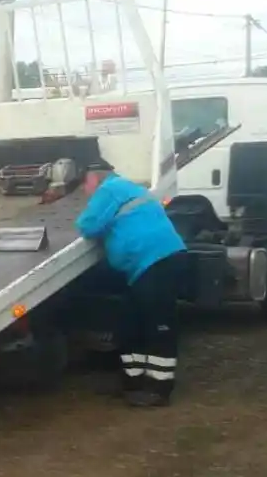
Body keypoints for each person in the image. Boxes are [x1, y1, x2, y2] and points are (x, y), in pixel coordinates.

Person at [75, 159, 188, 407]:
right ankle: (132, 382)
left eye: (84, 185)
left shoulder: (109, 190)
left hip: (156, 262)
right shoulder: (130, 187)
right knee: (131, 323)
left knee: (159, 326)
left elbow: (88, 225)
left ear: (94, 179)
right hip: (148, 265)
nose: (85, 191)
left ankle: (159, 389)